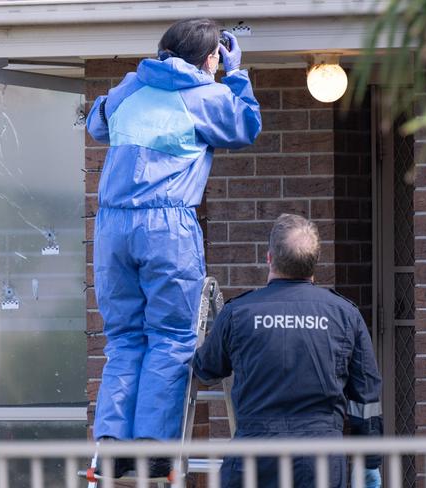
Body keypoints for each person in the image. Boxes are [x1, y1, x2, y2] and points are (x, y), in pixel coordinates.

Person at [85, 18, 262, 477]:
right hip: (166, 227)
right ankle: (152, 447)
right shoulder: (207, 96)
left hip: (111, 227)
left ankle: (111, 446)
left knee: (124, 339)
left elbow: (96, 124)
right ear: (210, 59)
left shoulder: (129, 90)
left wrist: (133, 81)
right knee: (171, 338)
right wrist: (235, 74)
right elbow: (246, 127)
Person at [193, 213, 383, 488]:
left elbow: (205, 369)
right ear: (314, 263)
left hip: (253, 459)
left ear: (269, 257)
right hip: (320, 461)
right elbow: (366, 397)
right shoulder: (344, 315)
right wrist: (370, 462)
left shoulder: (239, 313)